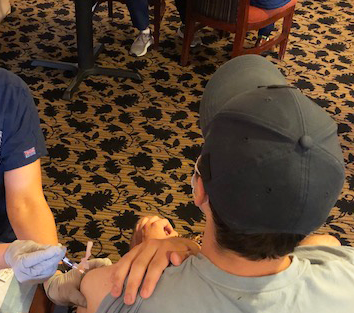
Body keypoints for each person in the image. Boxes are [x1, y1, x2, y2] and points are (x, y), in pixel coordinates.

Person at [0, 0, 197, 303]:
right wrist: (8, 255)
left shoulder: (4, 93)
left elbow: (26, 200)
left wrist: (52, 275)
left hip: (7, 247)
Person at [48, 54, 352, 312]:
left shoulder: (121, 292)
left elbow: (78, 290)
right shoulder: (345, 275)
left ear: (199, 187)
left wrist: (162, 252)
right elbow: (327, 244)